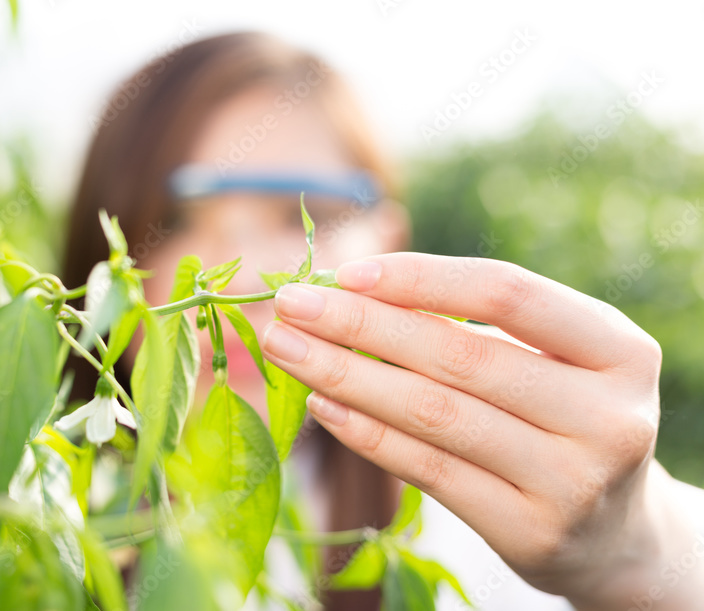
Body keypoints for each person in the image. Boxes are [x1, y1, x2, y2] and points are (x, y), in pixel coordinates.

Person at [63, 32, 704, 610]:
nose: (242, 277)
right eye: (169, 223)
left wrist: (634, 542)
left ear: (389, 243)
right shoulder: (26, 510)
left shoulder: (468, 525)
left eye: (299, 215)